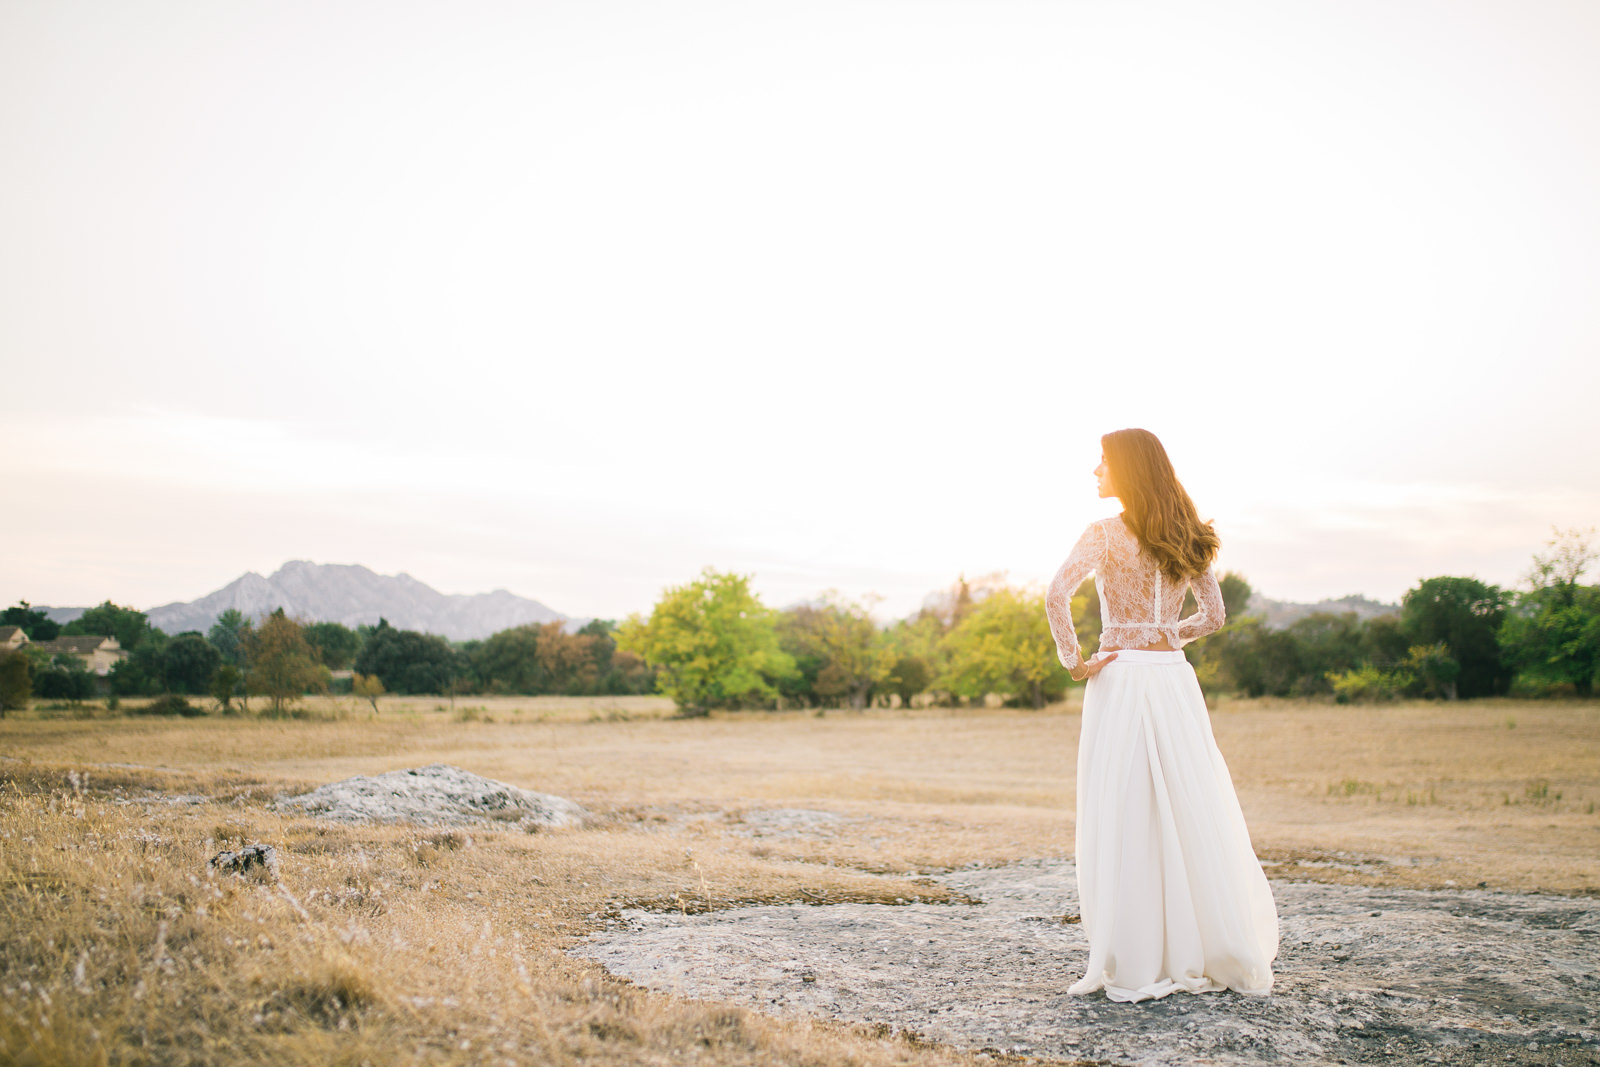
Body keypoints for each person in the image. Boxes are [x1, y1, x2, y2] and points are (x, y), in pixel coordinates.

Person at [1044, 428, 1278, 1003]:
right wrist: (1167, 635)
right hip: (1172, 678)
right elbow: (1215, 616)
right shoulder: (1188, 535)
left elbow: (1056, 595)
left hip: (1120, 674)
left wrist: (1077, 661)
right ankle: (1203, 945)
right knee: (1187, 803)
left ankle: (1137, 955)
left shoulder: (1102, 535)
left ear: (1126, 469)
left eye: (1102, 462)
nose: (1094, 471)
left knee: (1126, 810)